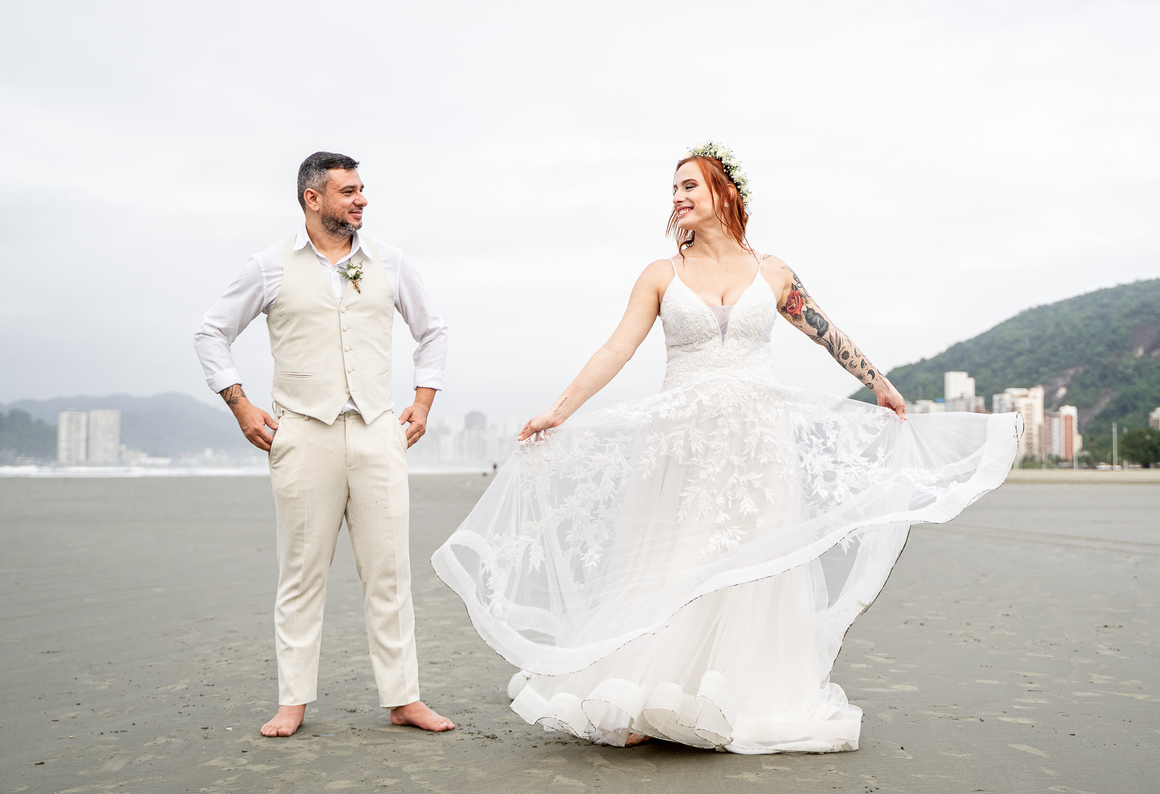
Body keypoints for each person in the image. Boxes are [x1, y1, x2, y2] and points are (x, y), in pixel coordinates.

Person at [432, 142, 1020, 753]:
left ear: (725, 193)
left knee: (752, 570)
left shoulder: (773, 272)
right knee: (675, 562)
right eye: (674, 190)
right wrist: (558, 410)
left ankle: (734, 696)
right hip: (682, 446)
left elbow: (826, 332)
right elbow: (616, 350)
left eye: (690, 185)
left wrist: (879, 382)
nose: (679, 197)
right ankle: (646, 695)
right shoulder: (661, 275)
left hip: (757, 445)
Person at [194, 151, 454, 737]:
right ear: (313, 199)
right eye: (348, 191)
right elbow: (211, 332)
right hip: (301, 435)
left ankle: (404, 697)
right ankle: (292, 701)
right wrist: (239, 402)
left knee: (388, 572)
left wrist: (424, 400)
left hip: (377, 432)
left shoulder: (389, 261)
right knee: (301, 573)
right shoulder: (269, 265)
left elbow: (432, 330)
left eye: (363, 190)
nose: (361, 199)